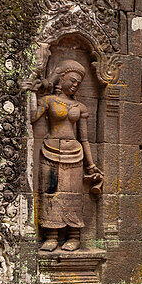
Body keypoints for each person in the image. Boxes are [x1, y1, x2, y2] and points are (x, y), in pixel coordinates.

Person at [32, 59, 102, 251]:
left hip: (75, 153)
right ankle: (52, 236)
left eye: (78, 83)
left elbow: (84, 139)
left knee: (73, 195)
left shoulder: (79, 107)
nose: (74, 85)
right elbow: (31, 117)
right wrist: (31, 91)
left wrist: (91, 164)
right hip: (50, 150)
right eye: (72, 80)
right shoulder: (48, 101)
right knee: (50, 193)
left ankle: (74, 236)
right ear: (61, 78)